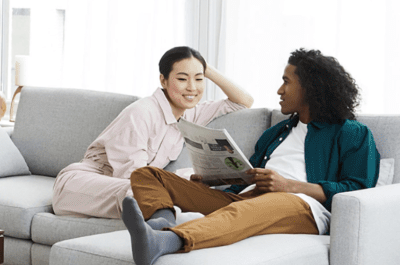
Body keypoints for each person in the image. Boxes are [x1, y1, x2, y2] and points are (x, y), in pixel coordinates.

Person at [120, 48, 380, 265]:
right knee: (147, 174)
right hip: (249, 198)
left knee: (245, 209)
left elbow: (359, 189)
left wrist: (290, 187)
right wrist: (213, 181)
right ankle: (159, 224)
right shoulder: (276, 132)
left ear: (310, 88)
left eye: (287, 82)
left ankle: (165, 241)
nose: (279, 89)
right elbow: (246, 180)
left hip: (302, 206)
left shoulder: (351, 133)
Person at [51, 46, 254, 219]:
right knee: (141, 191)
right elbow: (132, 176)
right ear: (163, 80)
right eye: (182, 78)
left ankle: (166, 221)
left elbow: (243, 101)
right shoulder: (141, 112)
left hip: (134, 187)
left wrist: (203, 67)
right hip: (82, 184)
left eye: (199, 79)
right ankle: (165, 222)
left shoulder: (191, 113)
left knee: (158, 189)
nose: (192, 87)